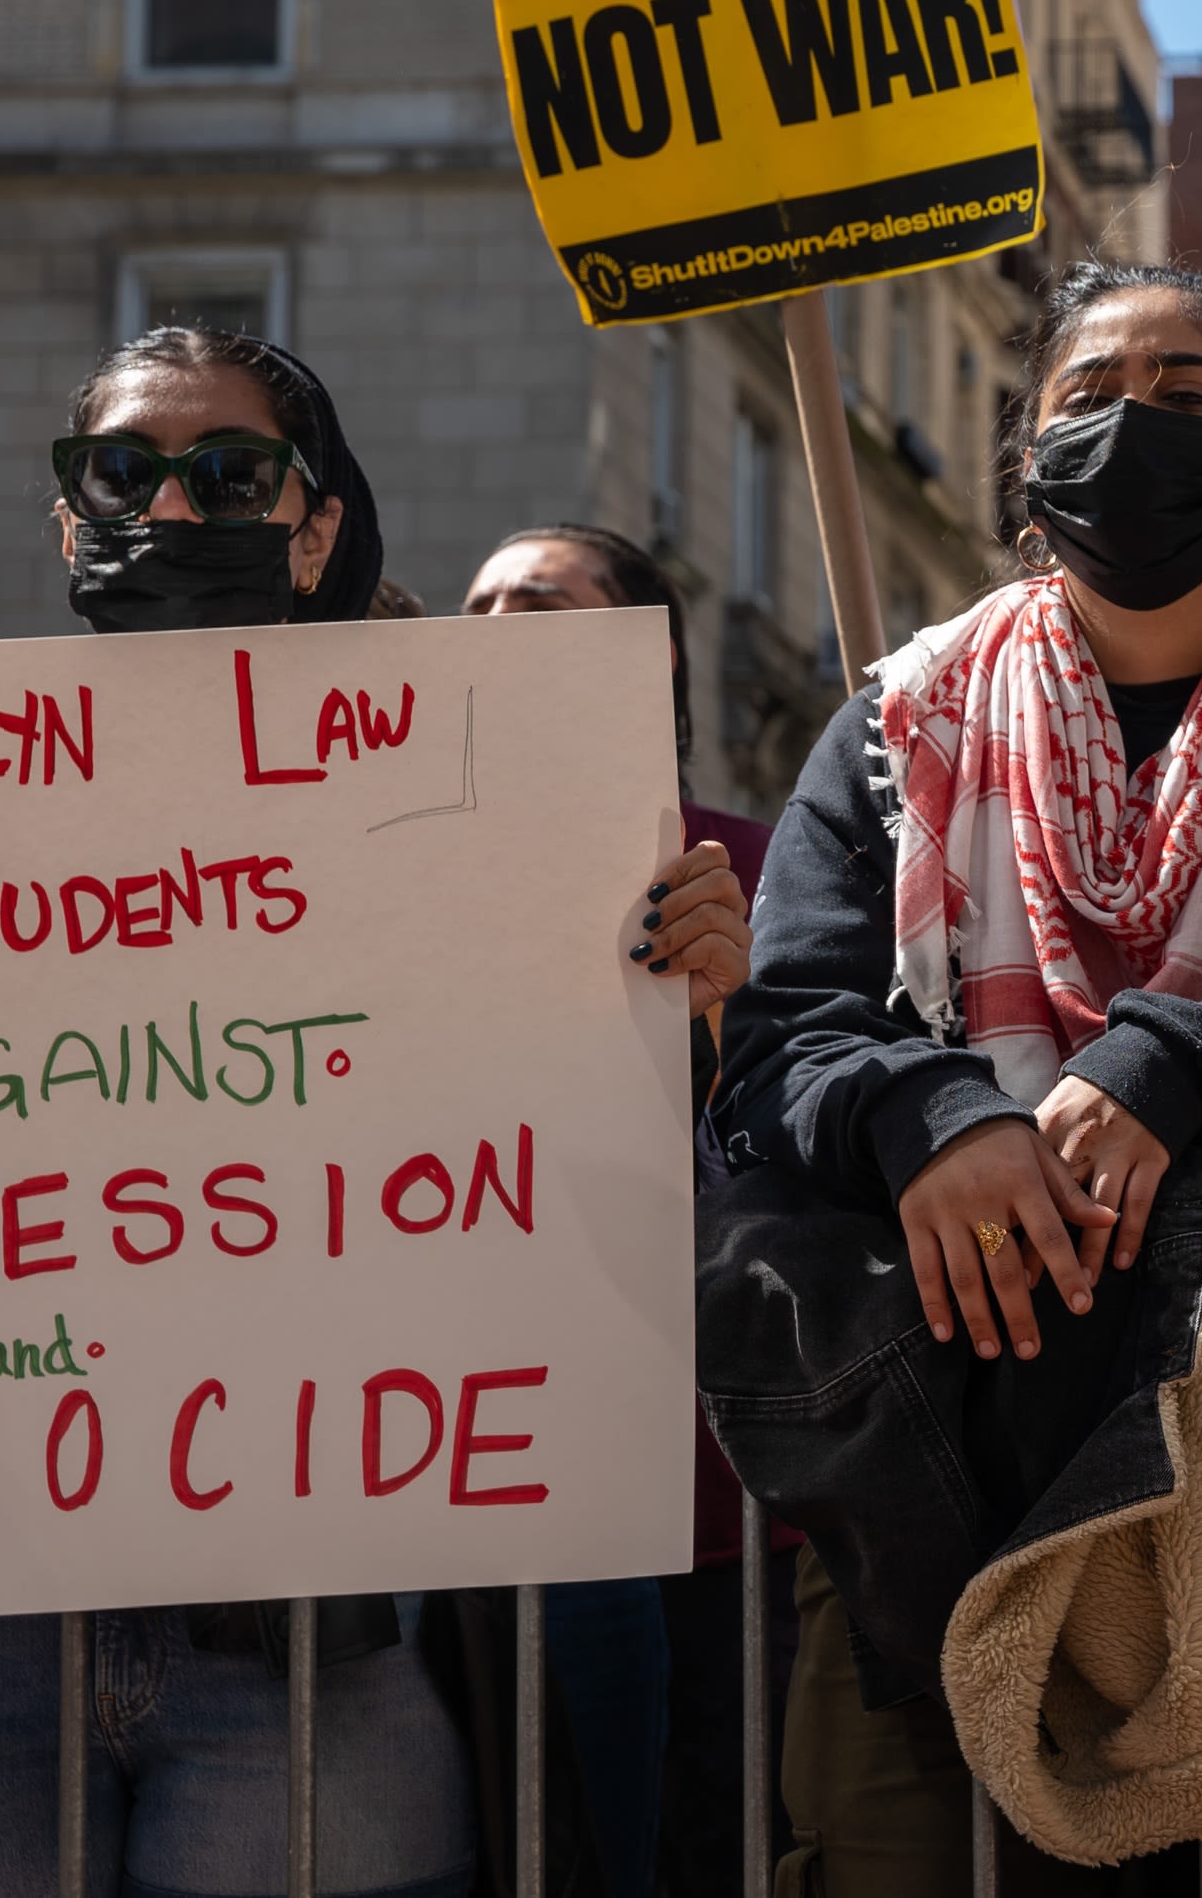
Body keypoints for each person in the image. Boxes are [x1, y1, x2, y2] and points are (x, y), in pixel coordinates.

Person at [701, 260, 1202, 1898]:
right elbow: (793, 1029)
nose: (1128, 429)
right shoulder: (894, 726)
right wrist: (931, 1122)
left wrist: (1185, 1058)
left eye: (1186, 399)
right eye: (1087, 396)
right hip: (939, 1492)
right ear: (1023, 455)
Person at [0, 326, 483, 1898]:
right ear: (65, 513)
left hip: (300, 1633)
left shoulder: (463, 799)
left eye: (228, 474)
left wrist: (679, 991)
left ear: (312, 524)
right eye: (123, 470)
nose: (169, 512)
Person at [462, 520, 772, 1898]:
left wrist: (730, 1022)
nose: (487, 630)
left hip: (713, 1513)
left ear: (646, 658)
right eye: (471, 607)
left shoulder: (755, 871)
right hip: (463, 1491)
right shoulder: (386, 880)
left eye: (535, 604)